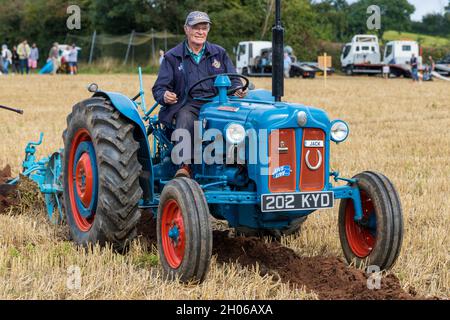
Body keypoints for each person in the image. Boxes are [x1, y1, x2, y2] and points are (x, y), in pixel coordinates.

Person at [152, 11, 247, 178]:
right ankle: (185, 165)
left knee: (239, 119)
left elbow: (234, 79)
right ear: (186, 29)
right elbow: (159, 88)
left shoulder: (219, 53)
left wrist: (238, 88)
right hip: (187, 103)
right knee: (185, 117)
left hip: (218, 103)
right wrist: (165, 95)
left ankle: (238, 164)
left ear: (208, 30)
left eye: (204, 28)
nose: (200, 32)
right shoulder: (172, 57)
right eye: (196, 28)